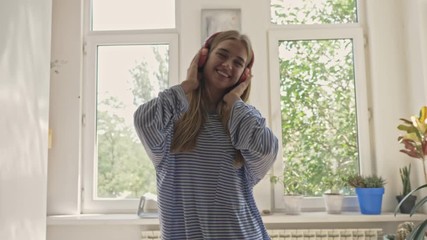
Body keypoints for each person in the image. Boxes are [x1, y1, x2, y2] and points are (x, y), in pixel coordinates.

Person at [134, 30, 278, 240]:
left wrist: (235, 103)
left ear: (244, 75)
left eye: (238, 63)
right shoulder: (174, 119)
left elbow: (266, 151)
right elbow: (143, 120)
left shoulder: (243, 120)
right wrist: (187, 85)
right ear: (203, 58)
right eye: (222, 54)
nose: (228, 65)